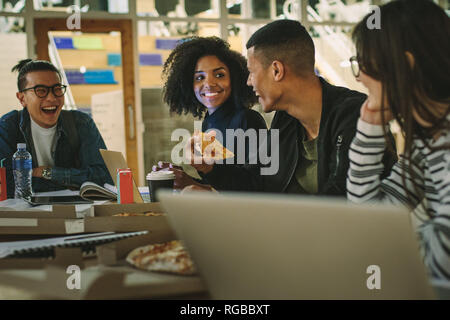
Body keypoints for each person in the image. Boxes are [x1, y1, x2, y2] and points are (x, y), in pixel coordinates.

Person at [188, 20, 396, 196]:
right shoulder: (286, 120)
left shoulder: (355, 116)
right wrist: (212, 168)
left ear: (277, 70)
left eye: (252, 72)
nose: (249, 82)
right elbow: (257, 183)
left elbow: (343, 203)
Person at [346, 0, 449, 280]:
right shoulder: (427, 140)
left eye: (364, 63)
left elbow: (444, 260)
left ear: (404, 65)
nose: (361, 77)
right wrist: (369, 124)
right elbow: (370, 220)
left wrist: (382, 253)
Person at [156, 36, 267, 190]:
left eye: (219, 75)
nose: (208, 84)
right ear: (189, 85)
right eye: (199, 77)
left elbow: (255, 187)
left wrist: (203, 175)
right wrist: (182, 177)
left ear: (234, 78)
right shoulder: (208, 123)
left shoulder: (248, 120)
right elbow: (218, 185)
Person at [0, 59, 113, 198]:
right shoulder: (7, 127)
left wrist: (47, 172)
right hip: (24, 214)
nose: (52, 98)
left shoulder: (81, 123)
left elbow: (104, 177)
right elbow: (8, 183)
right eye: (41, 91)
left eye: (57, 89)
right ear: (22, 98)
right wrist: (72, 180)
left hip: (75, 212)